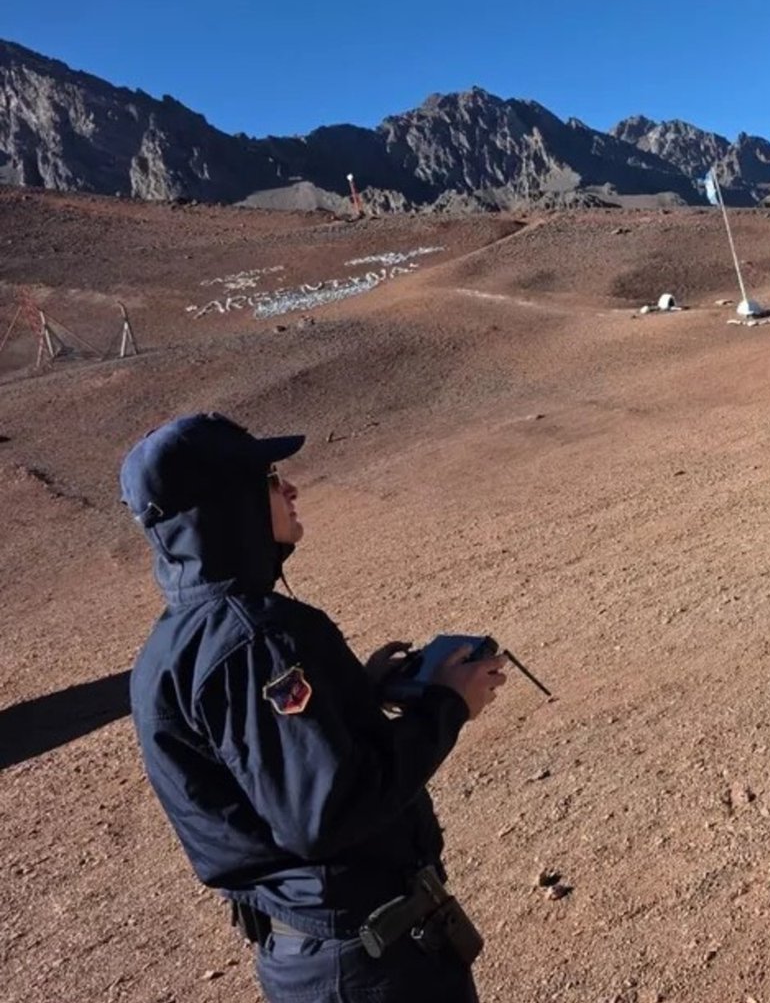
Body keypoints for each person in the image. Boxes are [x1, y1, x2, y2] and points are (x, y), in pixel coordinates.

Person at [121, 412, 506, 1003]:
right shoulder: (257, 639)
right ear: (228, 501)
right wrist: (446, 707)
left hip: (322, 954)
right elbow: (326, 812)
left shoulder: (177, 639)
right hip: (368, 966)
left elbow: (261, 765)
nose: (290, 488)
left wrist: (356, 692)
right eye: (271, 478)